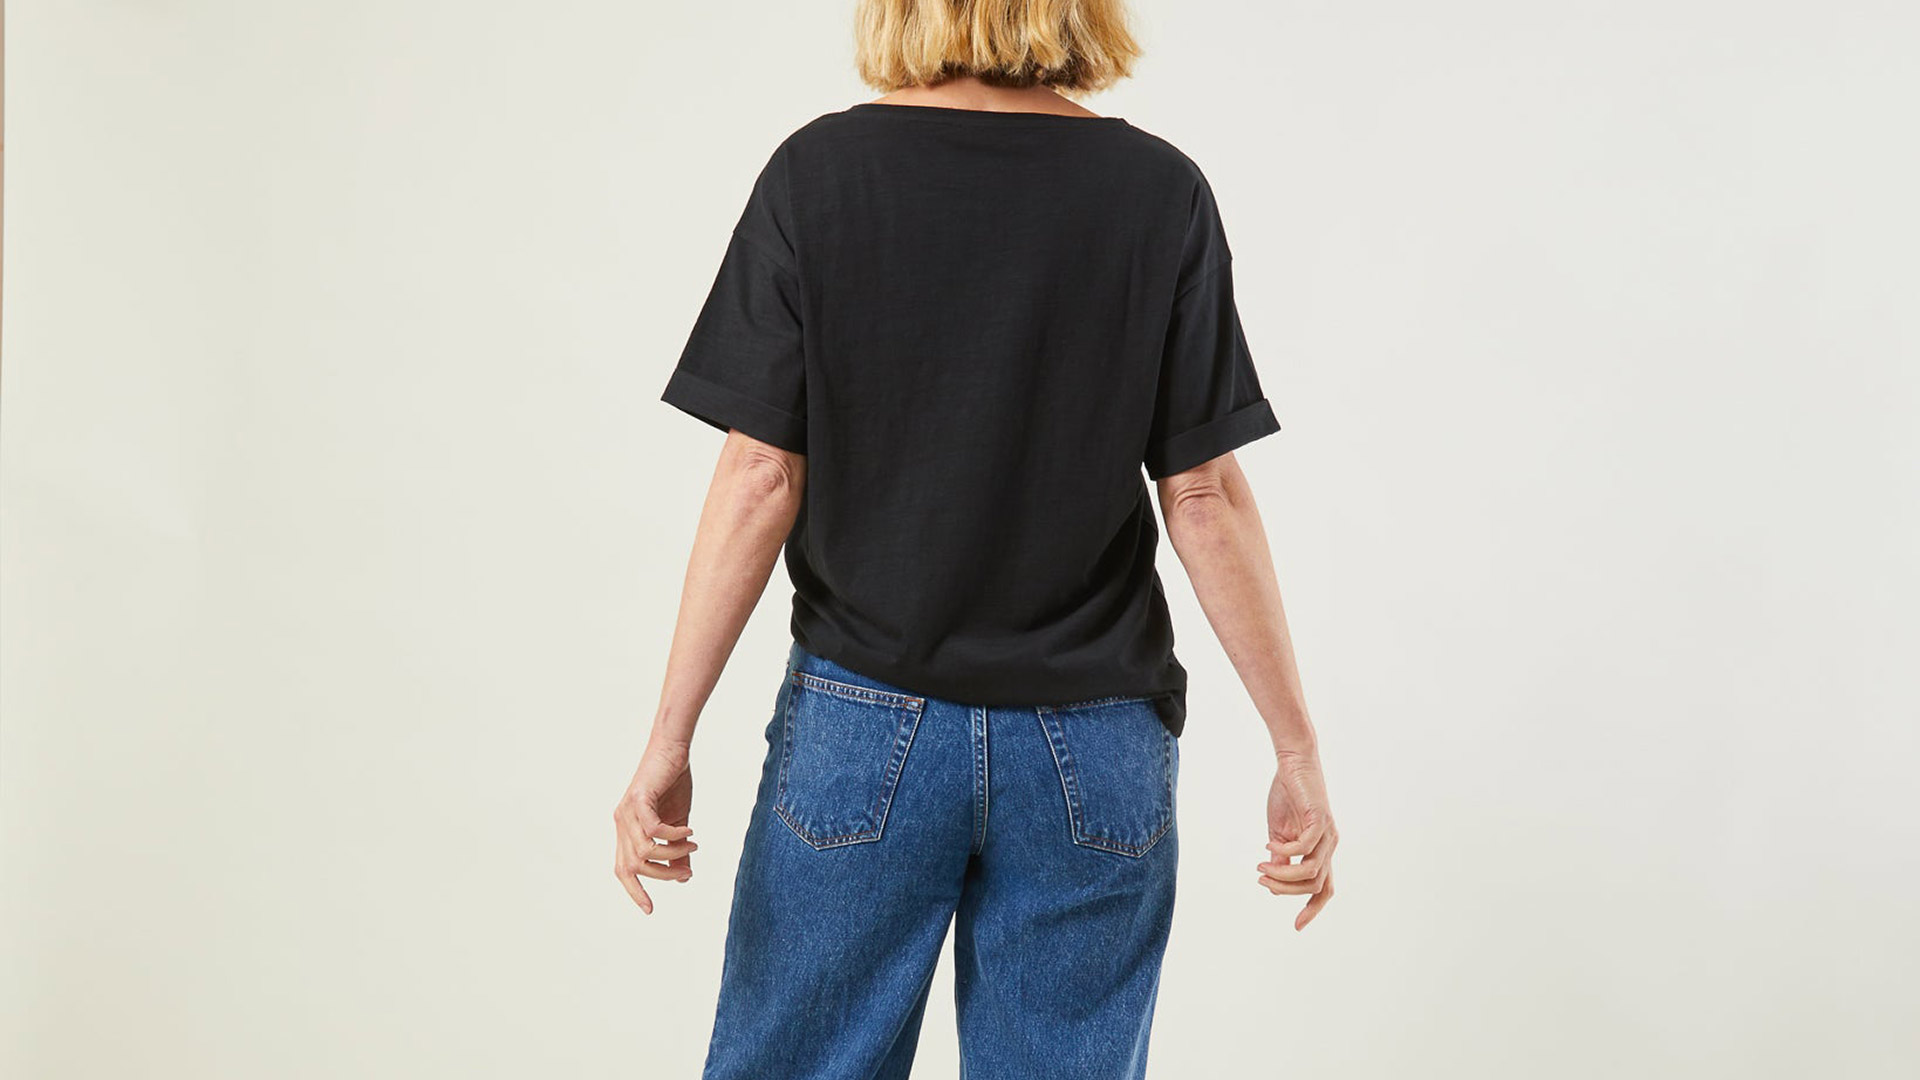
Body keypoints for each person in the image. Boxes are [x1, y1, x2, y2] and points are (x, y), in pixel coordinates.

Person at [613, 1, 1338, 1075]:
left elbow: (762, 473)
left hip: (864, 723)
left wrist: (668, 743)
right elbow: (1201, 495)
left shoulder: (819, 176)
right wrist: (1295, 750)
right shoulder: (1159, 191)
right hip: (1095, 742)